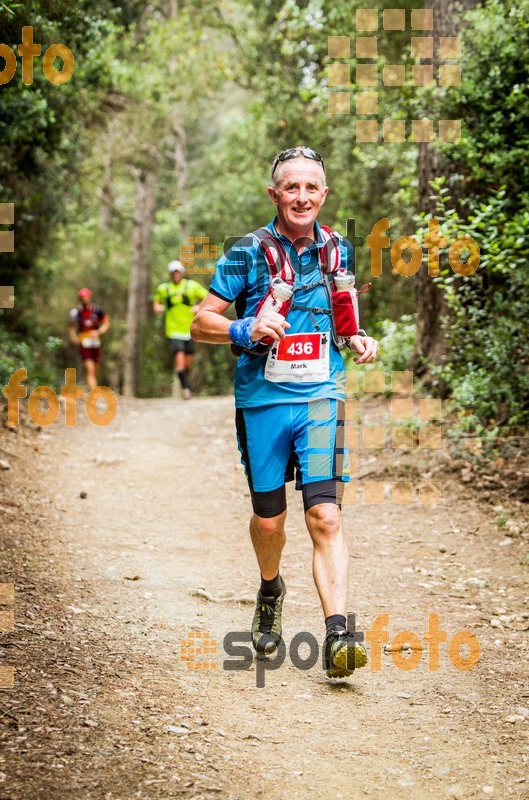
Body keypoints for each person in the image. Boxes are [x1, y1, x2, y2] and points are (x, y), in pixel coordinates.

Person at [191, 146, 380, 679]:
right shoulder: (245, 252)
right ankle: (271, 588)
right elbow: (198, 321)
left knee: (326, 515)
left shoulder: (338, 251)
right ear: (274, 194)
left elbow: (344, 318)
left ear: (324, 194)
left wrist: (358, 338)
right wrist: (241, 328)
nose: (301, 197)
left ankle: (339, 633)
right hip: (263, 401)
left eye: (311, 188)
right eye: (290, 188)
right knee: (268, 521)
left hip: (321, 394)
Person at [153, 261, 208, 399]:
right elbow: (156, 303)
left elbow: (208, 297)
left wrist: (198, 307)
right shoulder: (164, 289)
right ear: (170, 274)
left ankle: (185, 382)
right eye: (173, 272)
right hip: (173, 330)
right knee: (180, 359)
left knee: (188, 363)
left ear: (181, 272)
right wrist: (157, 308)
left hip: (190, 330)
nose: (175, 274)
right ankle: (186, 390)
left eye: (177, 272)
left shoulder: (191, 286)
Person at [68, 288, 110, 390]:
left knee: (95, 369)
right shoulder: (76, 312)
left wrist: (99, 331)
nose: (84, 299)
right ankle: (94, 392)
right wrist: (74, 337)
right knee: (89, 368)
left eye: (86, 297)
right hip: (84, 343)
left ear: (89, 297)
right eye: (82, 298)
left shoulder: (97, 310)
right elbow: (71, 326)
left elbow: (106, 323)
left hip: (95, 343)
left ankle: (92, 387)